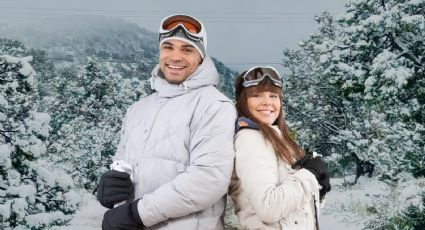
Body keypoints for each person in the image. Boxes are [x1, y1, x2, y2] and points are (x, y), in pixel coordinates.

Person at [96, 14, 236, 229]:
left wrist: (137, 214)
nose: (175, 57)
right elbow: (123, 162)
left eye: (187, 50)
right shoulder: (138, 109)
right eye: (168, 47)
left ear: (201, 57)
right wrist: (112, 182)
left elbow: (208, 179)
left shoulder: (214, 105)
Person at [228, 66, 331, 229]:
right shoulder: (251, 139)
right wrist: (310, 175)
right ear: (242, 101)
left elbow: (293, 213)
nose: (267, 102)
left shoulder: (275, 136)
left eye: (273, 95)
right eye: (256, 95)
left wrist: (317, 187)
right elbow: (269, 208)